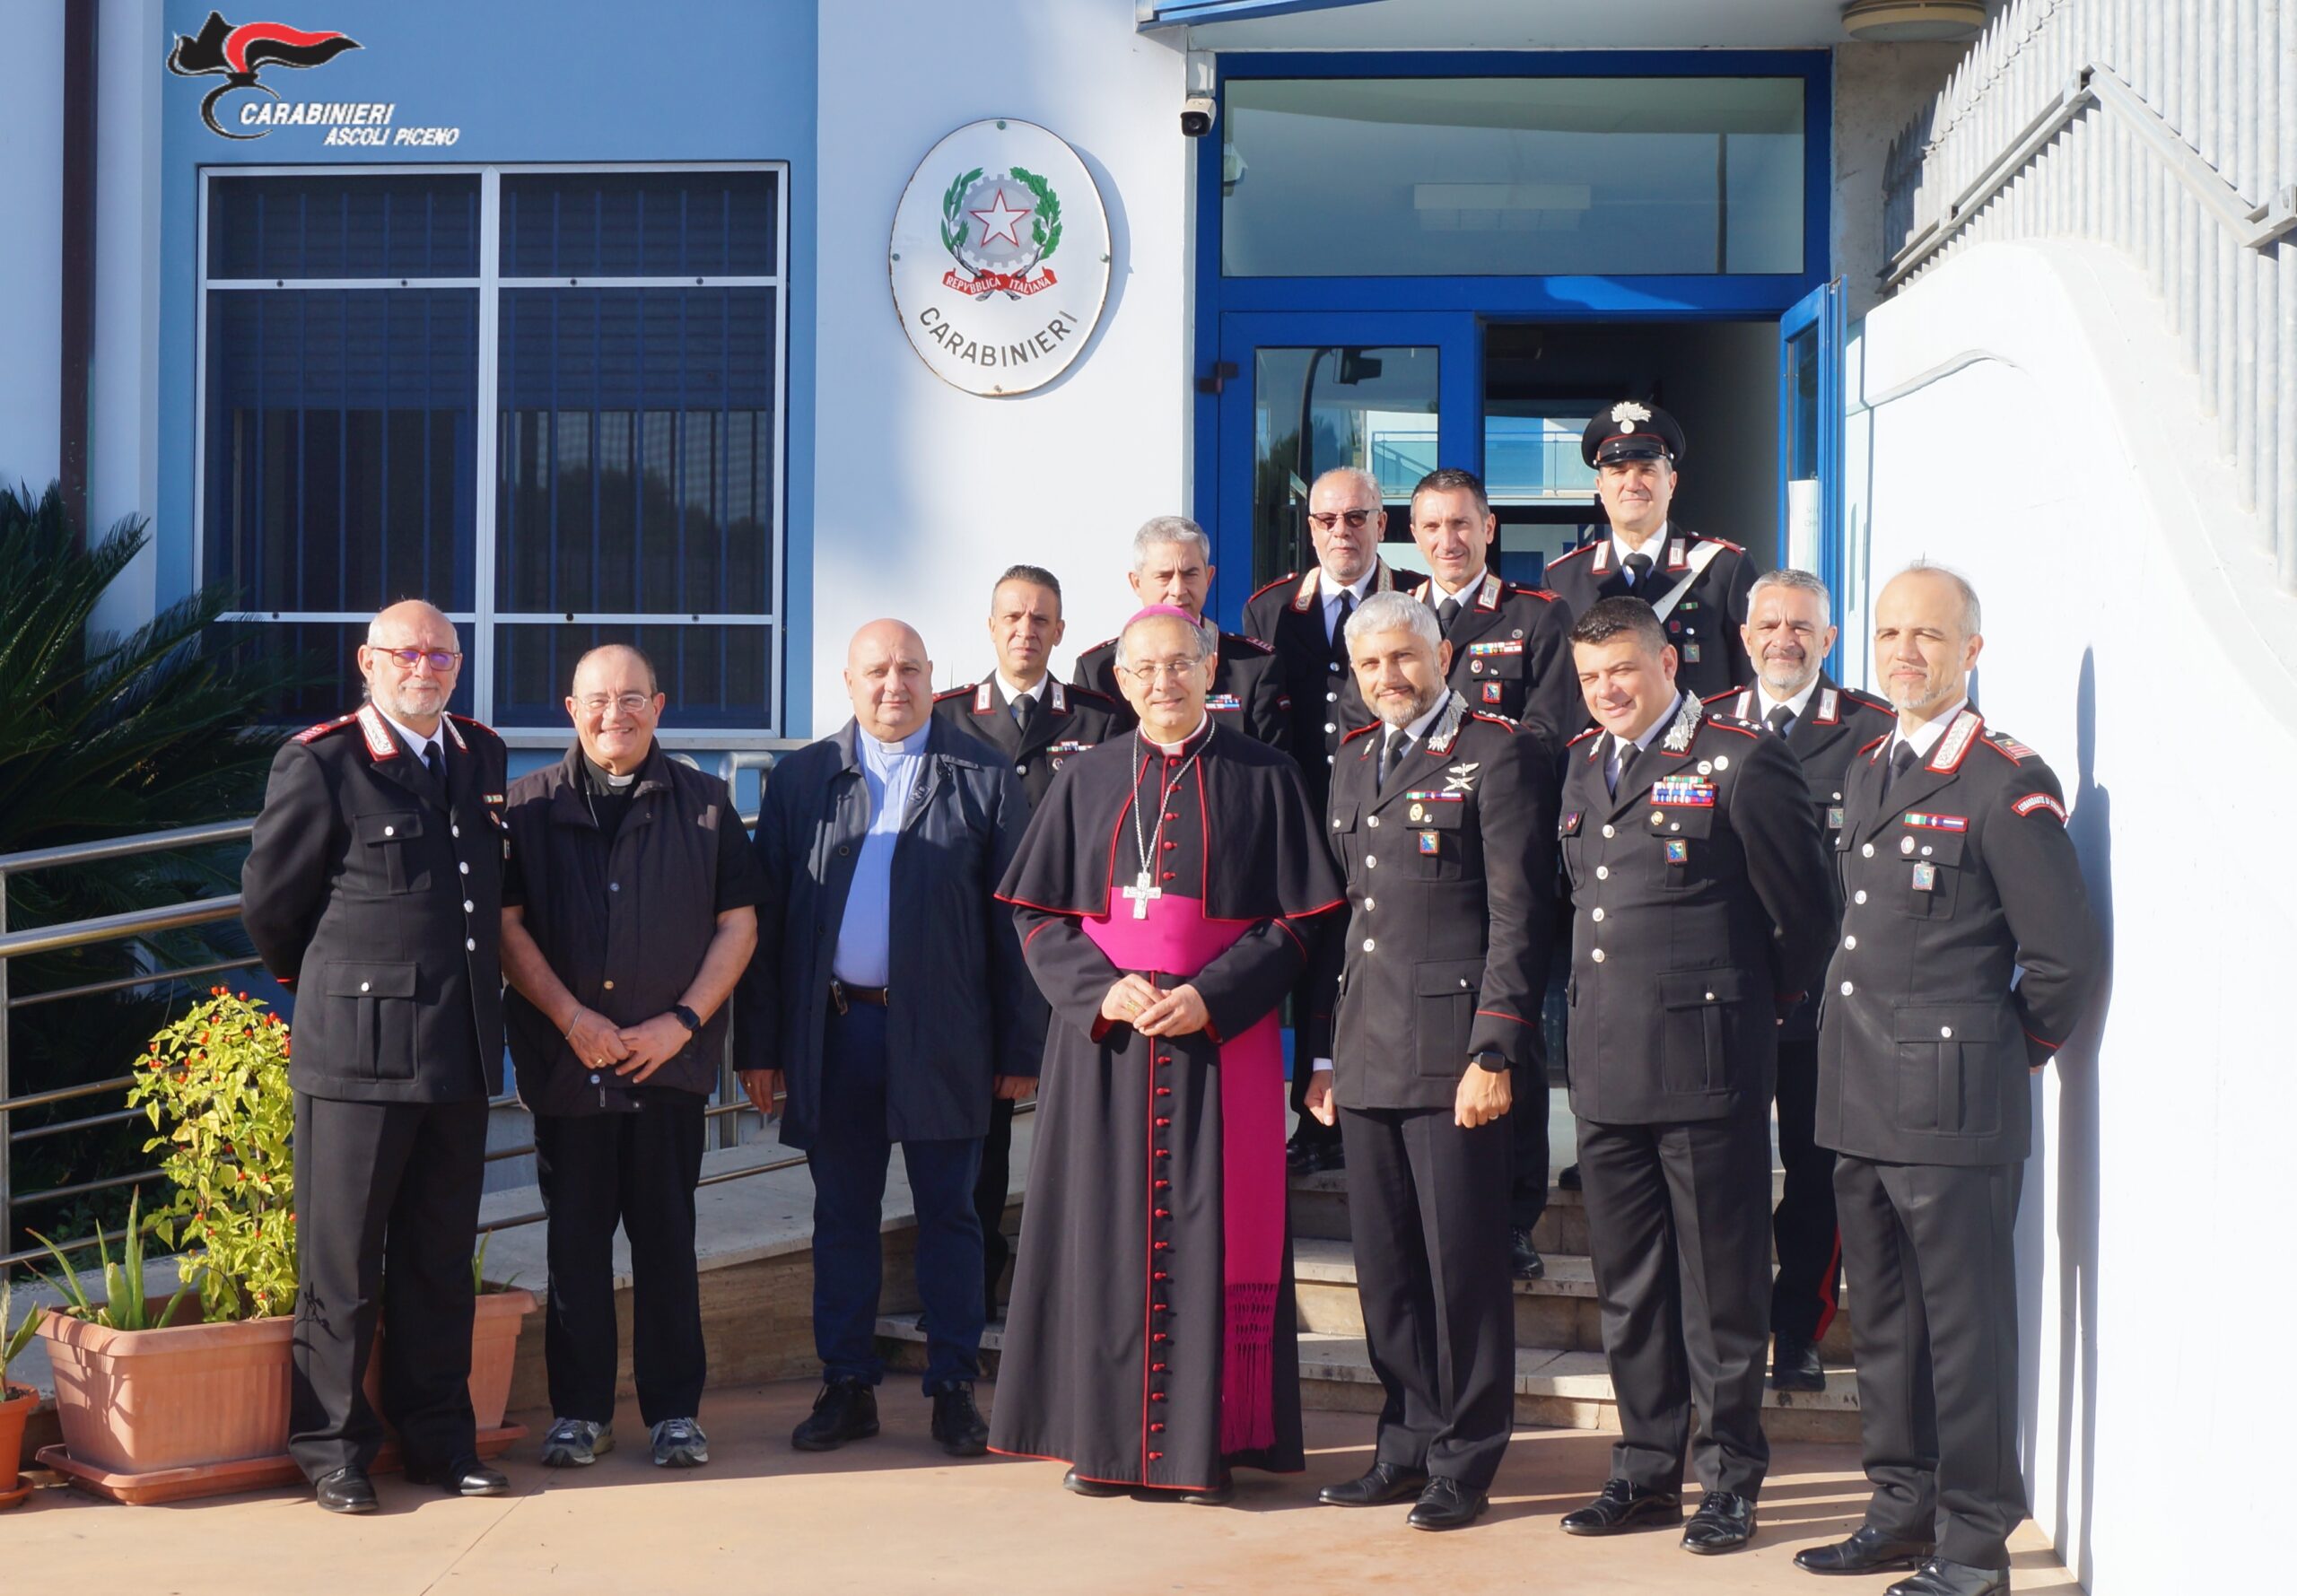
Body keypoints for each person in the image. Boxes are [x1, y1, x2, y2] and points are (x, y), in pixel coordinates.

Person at [990, 606, 1345, 1504]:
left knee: (1212, 1236)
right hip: (1105, 1049)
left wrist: (1210, 997)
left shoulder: (1264, 776)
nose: (1161, 683)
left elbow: (1301, 924)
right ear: (1120, 680)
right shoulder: (1087, 778)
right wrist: (1096, 992)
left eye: (1178, 666)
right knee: (1101, 1237)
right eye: (1143, 669)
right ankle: (1097, 1443)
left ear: (1210, 667)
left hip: (1220, 1050)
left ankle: (1202, 1449)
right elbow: (1037, 915)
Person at [1795, 565, 2100, 1596]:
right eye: (1888, 633)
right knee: (1882, 1323)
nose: (1904, 652)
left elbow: (2062, 961)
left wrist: (1997, 1052)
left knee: (1965, 1332)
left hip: (1952, 1107)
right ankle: (1900, 1503)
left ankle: (1972, 1545)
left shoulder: (2003, 779)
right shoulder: (1870, 764)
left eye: (1928, 635)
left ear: (1971, 651)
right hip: (1860, 1098)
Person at [1553, 597, 1832, 1556]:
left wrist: (1755, 1013)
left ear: (1666, 660)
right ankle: (1642, 1470)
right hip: (1605, 1067)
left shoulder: (1741, 760)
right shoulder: (1585, 764)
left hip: (1708, 1067)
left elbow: (1807, 915)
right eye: (1591, 680)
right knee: (1629, 1288)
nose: (1607, 692)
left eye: (1621, 671)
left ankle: (1728, 1481)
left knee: (1719, 1291)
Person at [735, 620, 1037, 1459]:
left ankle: (952, 1388)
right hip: (839, 1032)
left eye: (908, 669)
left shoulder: (981, 774)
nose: (892, 685)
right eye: (876, 670)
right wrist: (760, 1048)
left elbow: (1014, 926)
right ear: (848, 680)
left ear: (932, 677)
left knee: (951, 1213)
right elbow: (771, 925)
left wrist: (1022, 1046)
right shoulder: (803, 780)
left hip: (945, 1034)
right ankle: (847, 1383)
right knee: (843, 1215)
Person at [240, 599, 511, 1513]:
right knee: (343, 1270)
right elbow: (274, 911)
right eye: (407, 652)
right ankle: (331, 1450)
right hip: (356, 1060)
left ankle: (439, 1440)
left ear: (457, 665)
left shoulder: (480, 754)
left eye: (442, 653)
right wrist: (329, 991)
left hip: (460, 1052)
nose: (425, 666)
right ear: (369, 660)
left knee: (439, 1262)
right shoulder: (320, 762)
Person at [1297, 591, 1558, 1532]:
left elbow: (1519, 919)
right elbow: (1344, 925)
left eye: (1403, 659)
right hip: (1363, 1056)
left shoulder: (1498, 754)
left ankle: (1465, 1456)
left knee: (1462, 1270)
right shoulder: (1356, 757)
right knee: (1388, 1271)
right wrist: (1321, 1056)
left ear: (1441, 652)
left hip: (1454, 1059)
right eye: (1371, 666)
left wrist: (1495, 1048)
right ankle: (1402, 1444)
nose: (1389, 679)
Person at [497, 643, 761, 1471]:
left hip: (666, 1069)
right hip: (566, 1065)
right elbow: (507, 927)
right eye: (598, 699)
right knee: (574, 1246)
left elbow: (739, 925)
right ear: (570, 710)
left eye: (633, 697)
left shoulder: (708, 806)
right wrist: (572, 1017)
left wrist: (682, 1022)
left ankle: (675, 1414)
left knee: (665, 1242)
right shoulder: (526, 807)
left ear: (661, 703)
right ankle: (579, 1414)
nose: (616, 713)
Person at [1715, 569, 1895, 1394]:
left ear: (1829, 641)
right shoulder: (1705, 724)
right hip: (1729, 996)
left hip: (1830, 1000)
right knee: (1732, 1173)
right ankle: (1735, 1328)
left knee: (1818, 1174)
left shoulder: (1871, 730)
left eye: (1803, 627)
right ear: (1745, 635)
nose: (1784, 639)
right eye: (1769, 624)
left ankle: (1800, 1328)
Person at [931, 565, 1123, 1315]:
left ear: (1061, 632)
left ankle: (1074, 1297)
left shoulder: (1101, 717)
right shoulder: (947, 716)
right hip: (976, 957)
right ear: (990, 626)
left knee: (1080, 1132)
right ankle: (972, 1294)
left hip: (1073, 955)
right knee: (978, 1142)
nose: (1025, 630)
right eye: (1012, 617)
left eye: (1041, 619)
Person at [1400, 465, 1575, 1249]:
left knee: (1513, 1032)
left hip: (1508, 854)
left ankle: (1514, 1213)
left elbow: (1546, 736)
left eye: (1462, 524)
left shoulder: (1538, 617)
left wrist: (1456, 759)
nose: (1448, 540)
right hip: (1421, 861)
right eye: (1432, 526)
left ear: (1490, 527)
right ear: (1414, 535)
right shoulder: (1395, 618)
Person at [1243, 467, 1409, 1178]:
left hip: (1389, 810)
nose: (1341, 531)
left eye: (1356, 517)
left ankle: (1372, 1113)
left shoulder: (1413, 602)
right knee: (1308, 959)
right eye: (1327, 519)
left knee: (1377, 962)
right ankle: (1311, 1123)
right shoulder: (1273, 609)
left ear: (1381, 524)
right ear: (1309, 528)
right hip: (1305, 815)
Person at [1543, 401, 1757, 708]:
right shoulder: (1564, 578)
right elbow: (1556, 693)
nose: (1632, 484)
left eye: (1646, 470)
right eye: (1618, 471)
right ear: (1600, 488)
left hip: (1698, 752)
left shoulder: (1723, 569)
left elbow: (1751, 684)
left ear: (1671, 483)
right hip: (1604, 753)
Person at [1073, 516, 1290, 749]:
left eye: (1190, 574)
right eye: (1164, 576)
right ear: (1136, 583)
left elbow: (1270, 767)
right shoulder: (1098, 670)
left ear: (1208, 578)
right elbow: (1094, 771)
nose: (1178, 590)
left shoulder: (1254, 666)